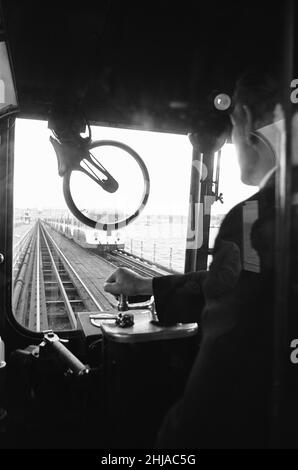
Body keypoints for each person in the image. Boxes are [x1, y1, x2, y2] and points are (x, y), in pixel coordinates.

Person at [104, 71, 283, 448]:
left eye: (232, 127)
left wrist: (173, 440)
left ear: (246, 120)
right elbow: (238, 282)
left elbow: (225, 369)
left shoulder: (255, 218)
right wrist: (148, 285)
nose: (233, 141)